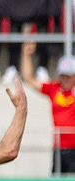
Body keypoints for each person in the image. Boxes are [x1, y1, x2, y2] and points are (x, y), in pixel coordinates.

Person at [21, 40, 75, 174]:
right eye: (62, 75)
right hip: (59, 148)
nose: (65, 79)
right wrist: (26, 54)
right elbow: (28, 78)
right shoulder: (54, 89)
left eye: (69, 76)